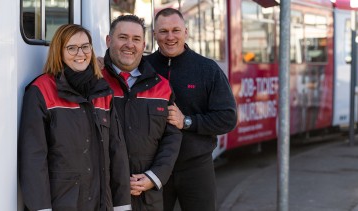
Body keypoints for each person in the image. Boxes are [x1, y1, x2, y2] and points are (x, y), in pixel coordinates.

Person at [18, 24, 131, 211]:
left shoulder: (102, 91)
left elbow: (116, 152)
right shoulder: (41, 90)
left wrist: (122, 205)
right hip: (62, 203)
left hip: (101, 203)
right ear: (59, 51)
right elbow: (33, 157)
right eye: (71, 48)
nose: (81, 53)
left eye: (85, 46)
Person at [145, 8, 237, 211]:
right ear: (154, 35)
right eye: (163, 31)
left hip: (196, 167)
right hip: (153, 167)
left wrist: (187, 121)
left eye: (176, 30)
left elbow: (228, 118)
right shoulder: (143, 67)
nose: (170, 37)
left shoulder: (207, 69)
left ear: (186, 32)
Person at [101, 15, 182, 211]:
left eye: (136, 39)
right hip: (104, 193)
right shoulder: (95, 82)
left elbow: (171, 137)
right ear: (108, 40)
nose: (130, 44)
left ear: (144, 44)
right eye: (123, 37)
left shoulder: (162, 86)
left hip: (147, 196)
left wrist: (154, 177)